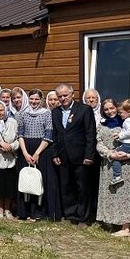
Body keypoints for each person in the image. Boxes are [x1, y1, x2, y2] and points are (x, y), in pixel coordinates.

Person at [52, 84, 97, 229]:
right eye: (60, 96)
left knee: (82, 187)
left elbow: (90, 134)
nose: (62, 98)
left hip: (81, 155)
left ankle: (83, 217)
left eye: (65, 95)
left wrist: (89, 155)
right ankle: (70, 214)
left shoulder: (84, 110)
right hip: (63, 155)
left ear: (72, 94)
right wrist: (55, 153)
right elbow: (54, 135)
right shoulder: (56, 112)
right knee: (67, 186)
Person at [95, 99, 130, 237]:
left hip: (126, 165)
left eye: (112, 108)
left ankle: (126, 227)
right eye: (106, 109)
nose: (110, 111)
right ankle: (110, 220)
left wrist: (128, 155)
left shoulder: (128, 124)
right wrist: (110, 154)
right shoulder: (101, 125)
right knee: (111, 194)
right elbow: (99, 143)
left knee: (126, 196)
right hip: (108, 164)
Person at [17, 89, 59, 221]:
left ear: (41, 100)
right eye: (32, 99)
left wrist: (36, 153)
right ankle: (26, 211)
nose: (34, 102)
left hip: (42, 149)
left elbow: (48, 135)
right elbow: (20, 134)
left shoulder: (46, 113)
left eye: (36, 99)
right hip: (26, 149)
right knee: (27, 180)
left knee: (40, 181)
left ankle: (39, 212)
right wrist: (25, 153)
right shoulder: (22, 113)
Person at [111, 99, 130, 185]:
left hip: (129, 144)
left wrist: (120, 136)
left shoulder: (127, 121)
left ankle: (117, 176)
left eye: (121, 113)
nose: (119, 115)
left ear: (129, 112)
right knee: (122, 156)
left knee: (115, 156)